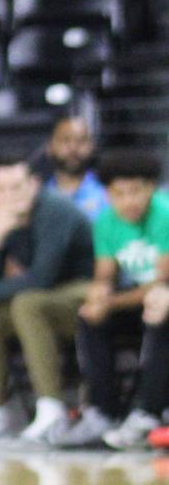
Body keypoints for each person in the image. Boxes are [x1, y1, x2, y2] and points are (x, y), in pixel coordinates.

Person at [0, 159, 94, 444]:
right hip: (38, 292)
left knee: (27, 303)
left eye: (17, 187)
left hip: (82, 288)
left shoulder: (55, 210)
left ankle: (52, 407)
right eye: (1, 189)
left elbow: (43, 278)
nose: (10, 196)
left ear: (34, 184)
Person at [53, 153, 169, 449]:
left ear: (151, 189)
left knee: (160, 306)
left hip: (161, 296)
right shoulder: (105, 223)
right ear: (108, 194)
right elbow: (104, 275)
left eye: (136, 192)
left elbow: (162, 281)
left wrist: (112, 302)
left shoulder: (164, 214)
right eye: (120, 194)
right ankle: (102, 411)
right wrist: (98, 298)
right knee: (91, 318)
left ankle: (149, 412)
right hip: (138, 299)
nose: (129, 201)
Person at [30, 114, 105, 222]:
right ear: (50, 147)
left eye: (81, 140)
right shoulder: (38, 197)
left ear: (92, 146)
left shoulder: (107, 192)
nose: (73, 148)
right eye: (65, 140)